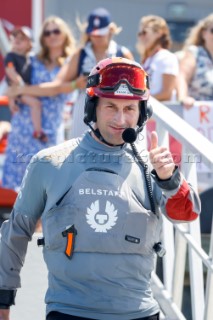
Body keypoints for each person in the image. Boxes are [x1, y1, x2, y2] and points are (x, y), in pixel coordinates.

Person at [0, 57, 200, 320]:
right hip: (69, 312)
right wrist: (3, 302)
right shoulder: (49, 162)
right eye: (110, 106)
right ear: (92, 108)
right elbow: (15, 233)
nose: (120, 119)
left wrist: (170, 179)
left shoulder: (154, 166)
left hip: (139, 313)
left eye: (130, 108)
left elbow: (186, 215)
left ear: (143, 113)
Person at [6, 7, 134, 139]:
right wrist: (76, 84)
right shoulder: (80, 54)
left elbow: (137, 87)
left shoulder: (122, 54)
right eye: (93, 33)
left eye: (100, 34)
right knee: (83, 153)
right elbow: (57, 85)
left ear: (110, 30)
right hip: (85, 110)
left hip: (116, 112)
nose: (96, 37)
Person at [2, 16, 76, 191]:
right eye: (47, 32)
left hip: (50, 129)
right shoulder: (33, 60)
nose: (51, 36)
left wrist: (23, 90)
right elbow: (10, 87)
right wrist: (14, 95)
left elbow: (56, 89)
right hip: (24, 127)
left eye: (56, 31)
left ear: (64, 34)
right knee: (21, 190)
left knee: (49, 186)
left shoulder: (71, 62)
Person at [4, 26, 47, 142]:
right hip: (18, 89)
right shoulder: (10, 56)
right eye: (15, 37)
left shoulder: (30, 58)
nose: (17, 39)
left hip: (23, 89)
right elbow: (10, 71)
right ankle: (38, 132)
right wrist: (19, 89)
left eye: (22, 38)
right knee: (36, 104)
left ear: (29, 43)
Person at [136, 15, 179, 101]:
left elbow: (166, 94)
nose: (141, 37)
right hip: (149, 110)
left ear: (159, 33)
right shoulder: (148, 59)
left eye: (144, 32)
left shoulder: (166, 57)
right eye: (139, 34)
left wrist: (139, 101)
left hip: (161, 111)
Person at [178, 13, 213, 108]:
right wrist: (183, 97)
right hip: (197, 113)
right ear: (204, 33)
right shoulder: (195, 52)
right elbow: (182, 76)